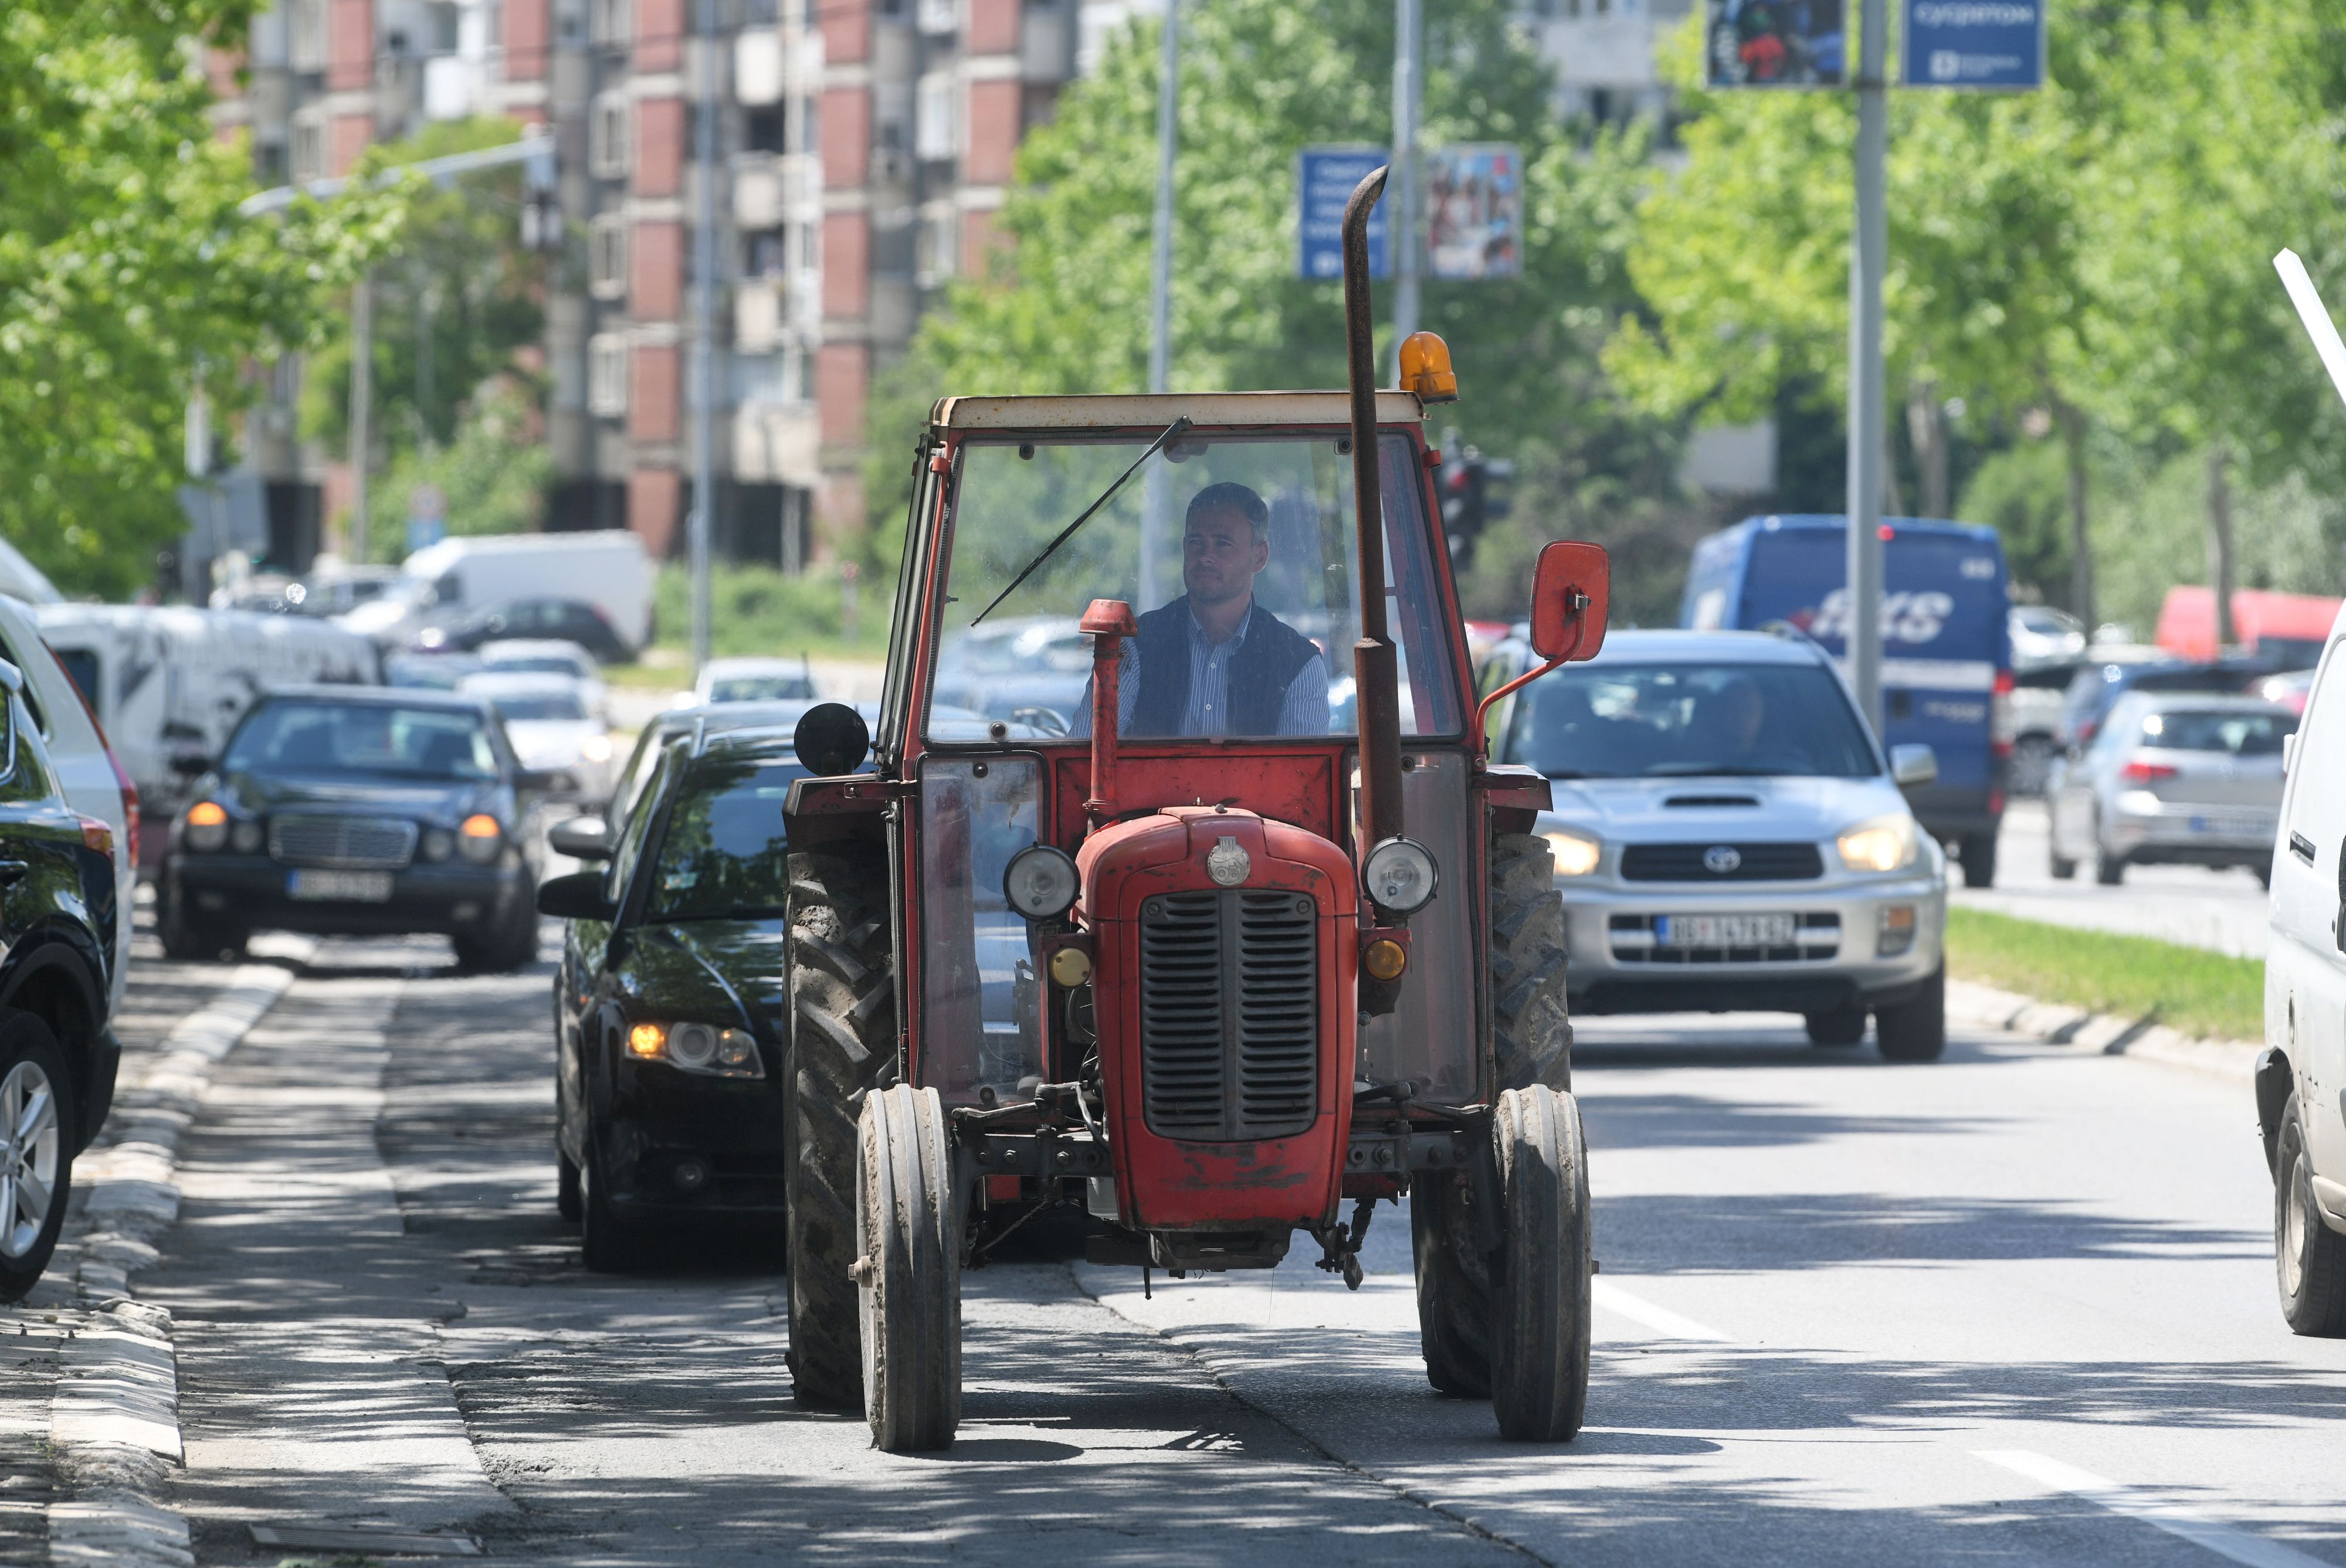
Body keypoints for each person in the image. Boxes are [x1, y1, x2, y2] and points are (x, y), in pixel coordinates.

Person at [1073, 481, 1330, 738]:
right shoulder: (1135, 646)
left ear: (1259, 557)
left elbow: (1303, 775)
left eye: (1222, 543)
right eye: (1196, 542)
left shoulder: (1298, 662)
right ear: (1185, 547)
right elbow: (1086, 755)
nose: (1205, 556)